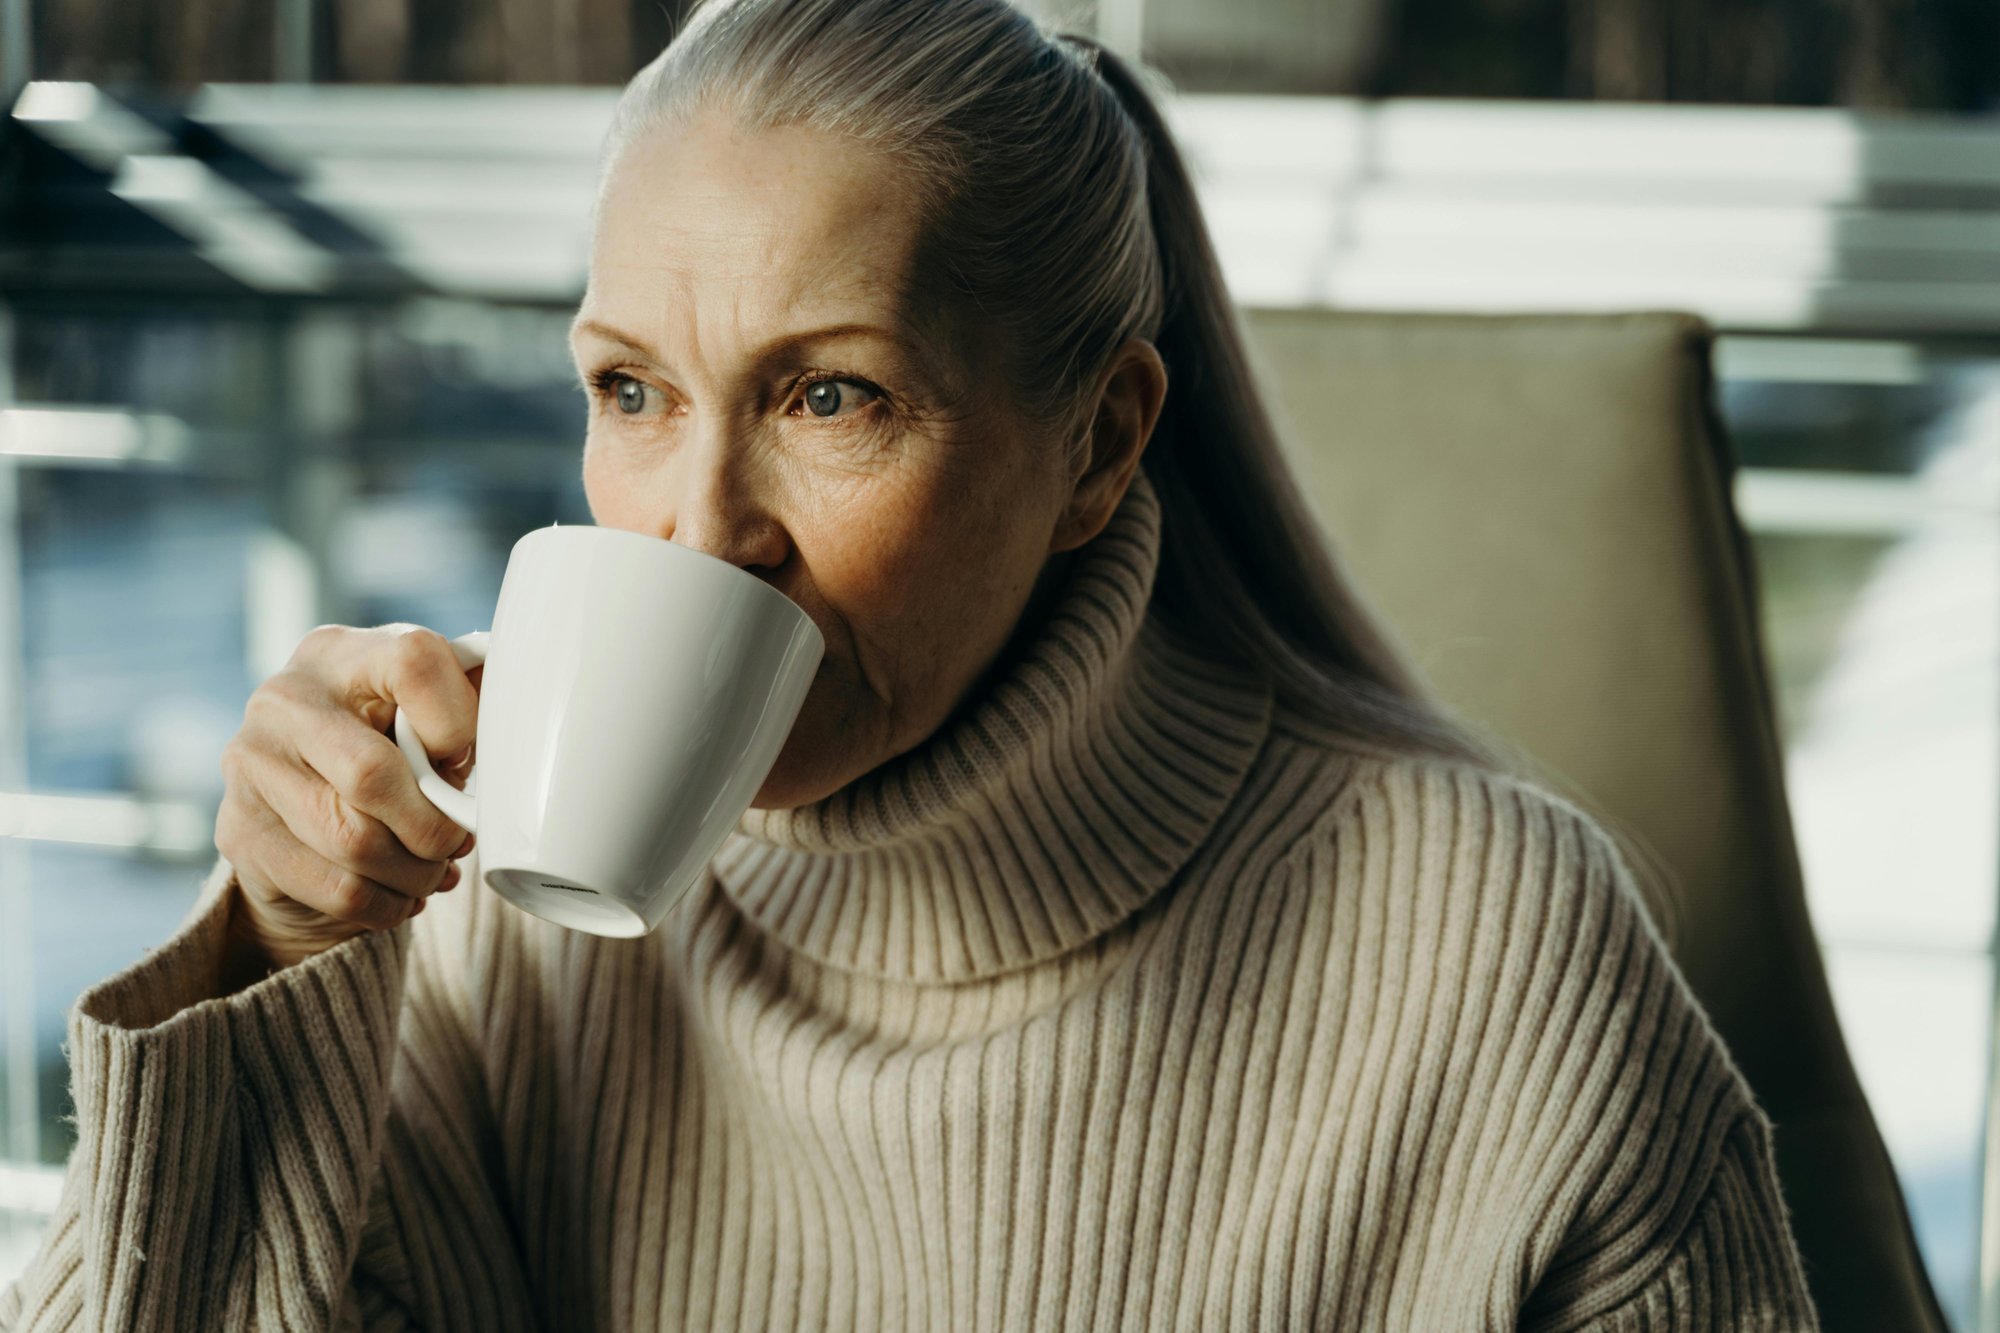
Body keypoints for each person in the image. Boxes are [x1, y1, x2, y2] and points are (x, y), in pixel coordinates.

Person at [0, 0, 1819, 1327]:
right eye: (629, 391)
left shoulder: (1493, 956)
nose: (699, 527)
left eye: (830, 397)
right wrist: (274, 963)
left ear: (1100, 446)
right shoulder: (483, 921)